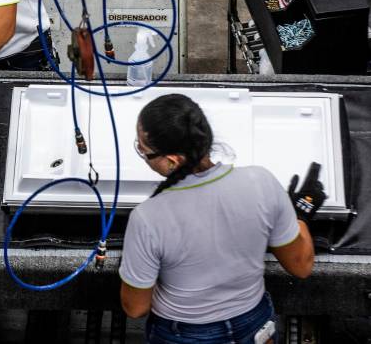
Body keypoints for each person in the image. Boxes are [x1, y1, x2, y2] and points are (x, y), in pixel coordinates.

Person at [119, 94, 326, 344]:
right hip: (253, 326)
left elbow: (135, 308)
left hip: (183, 335)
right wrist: (300, 214)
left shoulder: (147, 218)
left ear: (172, 160)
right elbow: (301, 266)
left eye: (143, 149)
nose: (141, 151)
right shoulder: (261, 182)